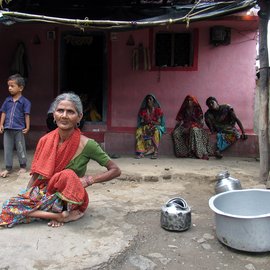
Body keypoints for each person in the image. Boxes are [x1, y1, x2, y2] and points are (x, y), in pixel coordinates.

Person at [0, 92, 121, 228]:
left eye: (70, 112)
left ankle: (66, 212)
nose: (64, 116)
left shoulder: (88, 144)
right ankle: (58, 216)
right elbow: (36, 174)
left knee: (67, 175)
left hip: (69, 196)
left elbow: (115, 170)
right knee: (8, 207)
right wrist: (27, 195)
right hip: (45, 191)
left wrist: (88, 180)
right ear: (54, 114)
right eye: (60, 110)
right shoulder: (45, 140)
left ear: (79, 117)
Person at [0, 73, 31, 178]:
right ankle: (8, 167)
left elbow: (27, 115)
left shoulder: (25, 102)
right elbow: (3, 112)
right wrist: (1, 124)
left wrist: (27, 127)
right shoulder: (7, 101)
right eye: (8, 86)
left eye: (12, 86)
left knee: (20, 147)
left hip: (19, 129)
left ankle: (23, 166)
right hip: (7, 129)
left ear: (20, 88)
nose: (9, 88)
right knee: (7, 148)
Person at [172, 95, 214, 160]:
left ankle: (201, 153)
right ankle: (184, 153)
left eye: (191, 100)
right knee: (176, 133)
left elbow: (201, 122)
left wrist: (195, 126)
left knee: (194, 130)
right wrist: (174, 129)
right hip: (185, 125)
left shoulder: (197, 109)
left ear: (194, 101)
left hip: (195, 126)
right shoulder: (184, 109)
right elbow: (179, 121)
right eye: (188, 100)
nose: (189, 102)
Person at [135, 94, 166, 159]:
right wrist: (145, 123)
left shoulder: (158, 110)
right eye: (147, 100)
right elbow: (141, 122)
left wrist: (152, 123)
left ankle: (155, 152)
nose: (148, 101)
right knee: (139, 131)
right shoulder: (143, 111)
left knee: (156, 131)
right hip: (146, 126)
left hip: (155, 126)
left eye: (150, 99)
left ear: (153, 101)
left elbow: (159, 122)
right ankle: (141, 152)